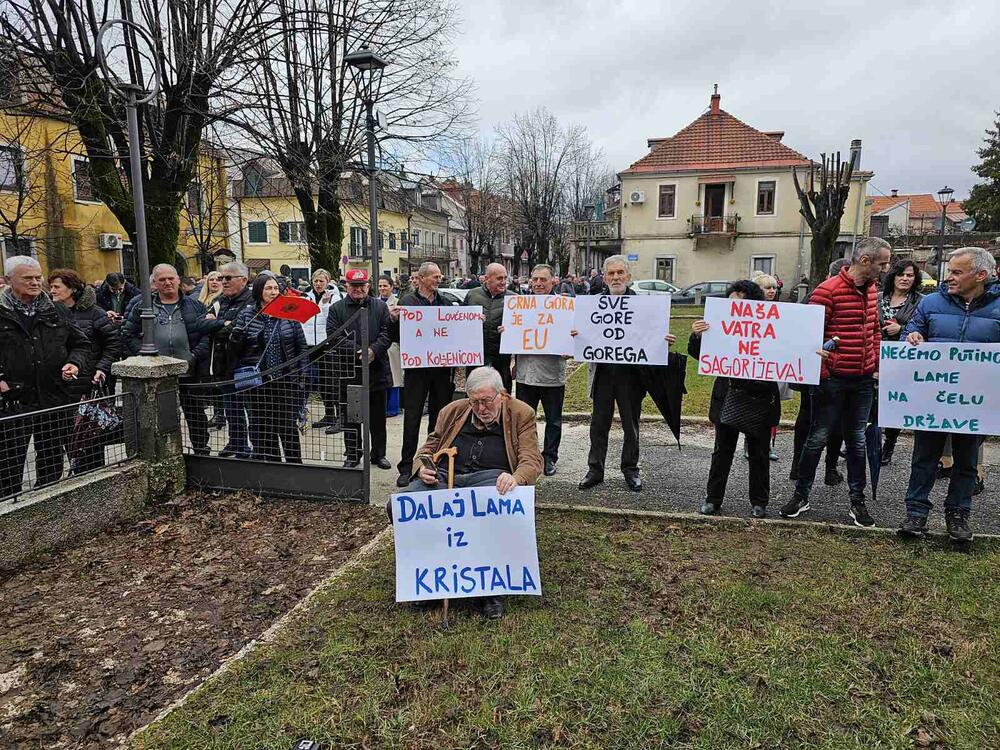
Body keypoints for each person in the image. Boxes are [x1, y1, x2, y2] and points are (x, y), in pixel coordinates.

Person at [400, 366, 542, 621]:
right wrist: (421, 467)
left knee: (492, 509)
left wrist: (515, 478)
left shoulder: (522, 413)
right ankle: (433, 579)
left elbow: (531, 460)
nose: (481, 408)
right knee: (402, 506)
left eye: (487, 401)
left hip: (492, 478)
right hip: (447, 477)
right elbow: (428, 448)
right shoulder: (452, 411)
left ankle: (488, 590)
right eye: (474, 402)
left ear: (502, 395)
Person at [780, 238, 891, 527]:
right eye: (882, 263)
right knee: (817, 437)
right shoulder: (826, 292)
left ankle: (857, 501)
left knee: (856, 441)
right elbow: (807, 337)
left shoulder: (871, 291)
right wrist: (826, 368)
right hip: (831, 381)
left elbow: (875, 331)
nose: (886, 269)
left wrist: (875, 364)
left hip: (863, 379)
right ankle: (801, 494)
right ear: (865, 261)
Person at [899, 247, 1000, 543]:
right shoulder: (931, 303)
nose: (948, 277)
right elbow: (912, 332)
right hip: (933, 398)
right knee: (924, 458)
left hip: (976, 402)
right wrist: (912, 337)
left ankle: (958, 514)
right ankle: (915, 513)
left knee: (967, 460)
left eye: (957, 272)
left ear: (981, 275)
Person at [577, 255, 676, 492]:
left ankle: (630, 469)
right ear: (604, 277)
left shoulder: (642, 306)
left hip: (631, 376)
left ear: (628, 277)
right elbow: (584, 334)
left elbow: (652, 336)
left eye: (620, 273)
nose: (616, 277)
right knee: (598, 424)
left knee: (631, 425)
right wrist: (577, 335)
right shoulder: (593, 305)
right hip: (602, 374)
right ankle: (595, 469)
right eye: (611, 273)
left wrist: (663, 341)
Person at [0, 257, 90, 497]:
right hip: (14, 401)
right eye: (27, 278)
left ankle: (47, 505)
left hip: (53, 397)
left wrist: (74, 363)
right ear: (9, 280)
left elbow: (80, 343)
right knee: (9, 465)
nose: (36, 282)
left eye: (38, 277)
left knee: (51, 460)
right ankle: (11, 512)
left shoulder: (55, 309)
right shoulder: (2, 311)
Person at [689, 280, 779, 518]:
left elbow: (787, 355)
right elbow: (701, 355)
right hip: (728, 395)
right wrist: (697, 336)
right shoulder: (718, 326)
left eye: (741, 301)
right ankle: (712, 499)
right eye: (731, 302)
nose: (735, 306)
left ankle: (759, 502)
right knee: (722, 451)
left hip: (761, 397)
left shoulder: (773, 327)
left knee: (759, 453)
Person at [122, 264, 212, 455]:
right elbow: (127, 334)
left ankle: (201, 452)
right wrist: (145, 355)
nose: (167, 282)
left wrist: (193, 356)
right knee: (162, 418)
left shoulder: (195, 306)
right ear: (154, 283)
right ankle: (166, 454)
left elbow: (206, 335)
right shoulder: (143, 306)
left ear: (179, 279)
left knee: (196, 416)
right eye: (162, 280)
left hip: (189, 372)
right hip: (158, 375)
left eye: (171, 278)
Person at [391, 262, 458, 487]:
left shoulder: (445, 303)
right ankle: (406, 466)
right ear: (421, 279)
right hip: (416, 370)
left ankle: (434, 462)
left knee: (439, 419)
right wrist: (393, 319)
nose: (439, 280)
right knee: (412, 417)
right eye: (435, 277)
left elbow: (457, 330)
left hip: (441, 370)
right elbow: (395, 334)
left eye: (440, 277)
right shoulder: (408, 302)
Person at [49, 270, 123, 473]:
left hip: (87, 384)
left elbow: (113, 344)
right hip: (58, 385)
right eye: (51, 286)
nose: (52, 290)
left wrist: (102, 367)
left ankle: (91, 475)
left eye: (57, 286)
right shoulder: (49, 312)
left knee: (89, 435)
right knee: (61, 434)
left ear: (72, 289)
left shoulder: (95, 313)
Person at [229, 275, 308, 463]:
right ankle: (274, 467)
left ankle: (295, 466)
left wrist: (302, 374)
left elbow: (301, 347)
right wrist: (236, 338)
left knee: (287, 427)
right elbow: (236, 351)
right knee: (265, 427)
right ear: (258, 291)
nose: (273, 292)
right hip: (259, 383)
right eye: (268, 288)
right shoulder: (248, 315)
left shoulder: (287, 313)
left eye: (275, 288)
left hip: (285, 381)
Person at [789, 258, 850, 484]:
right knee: (811, 419)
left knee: (825, 421)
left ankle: (821, 467)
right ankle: (811, 466)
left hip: (834, 368)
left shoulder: (814, 297)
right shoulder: (815, 297)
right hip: (816, 369)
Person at [326, 269, 393, 468]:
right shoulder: (337, 309)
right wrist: (359, 352)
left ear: (368, 286)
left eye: (362, 285)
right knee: (351, 417)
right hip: (349, 371)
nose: (358, 289)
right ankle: (353, 454)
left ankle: (378, 454)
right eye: (354, 286)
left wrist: (373, 350)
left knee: (378, 418)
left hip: (376, 369)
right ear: (347, 286)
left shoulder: (380, 307)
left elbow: (387, 333)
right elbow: (334, 337)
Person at [513, 264, 568, 476]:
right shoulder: (519, 306)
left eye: (542, 280)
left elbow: (573, 339)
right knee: (525, 419)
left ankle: (550, 457)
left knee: (554, 420)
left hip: (552, 374)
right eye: (534, 279)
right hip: (526, 373)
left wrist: (570, 345)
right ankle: (528, 456)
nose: (537, 283)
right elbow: (514, 337)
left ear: (553, 281)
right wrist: (507, 333)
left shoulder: (563, 306)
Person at [201, 262, 255, 457]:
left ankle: (252, 448)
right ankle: (236, 442)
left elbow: (237, 330)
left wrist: (216, 325)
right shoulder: (221, 300)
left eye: (227, 278)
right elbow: (201, 325)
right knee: (231, 408)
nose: (223, 281)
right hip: (223, 363)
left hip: (244, 363)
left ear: (243, 279)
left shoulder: (251, 301)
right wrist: (221, 324)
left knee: (250, 410)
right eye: (221, 278)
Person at [877, 259, 924, 465]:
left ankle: (890, 443)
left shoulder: (921, 301)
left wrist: (902, 331)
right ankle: (868, 440)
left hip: (903, 360)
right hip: (876, 357)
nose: (905, 279)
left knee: (894, 402)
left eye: (910, 275)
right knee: (871, 402)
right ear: (893, 276)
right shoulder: (878, 298)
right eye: (901, 274)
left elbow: (923, 329)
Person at [464, 263, 516, 392]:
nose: (503, 282)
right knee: (475, 392)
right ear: (487, 279)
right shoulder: (472, 295)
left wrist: (510, 330)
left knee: (502, 394)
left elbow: (521, 330)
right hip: (477, 357)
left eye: (505, 278)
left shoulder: (514, 298)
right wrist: (471, 321)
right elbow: (460, 324)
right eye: (499, 278)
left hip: (501, 358)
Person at [301, 269, 342, 431]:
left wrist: (325, 304)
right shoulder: (306, 297)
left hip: (327, 344)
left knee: (332, 381)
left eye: (321, 281)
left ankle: (339, 416)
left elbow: (332, 320)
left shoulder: (335, 297)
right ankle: (329, 413)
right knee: (320, 383)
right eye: (316, 281)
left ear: (328, 281)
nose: (318, 284)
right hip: (310, 344)